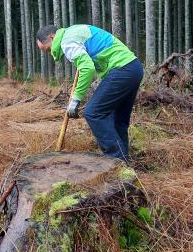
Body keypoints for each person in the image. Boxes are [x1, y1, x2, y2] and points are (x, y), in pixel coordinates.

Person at [36, 24, 143, 162]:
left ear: (52, 37)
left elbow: (87, 68)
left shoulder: (66, 40)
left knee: (93, 113)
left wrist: (75, 99)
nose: (50, 53)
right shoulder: (73, 32)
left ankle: (115, 162)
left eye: (48, 49)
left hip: (122, 69)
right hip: (134, 68)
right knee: (118, 120)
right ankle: (123, 164)